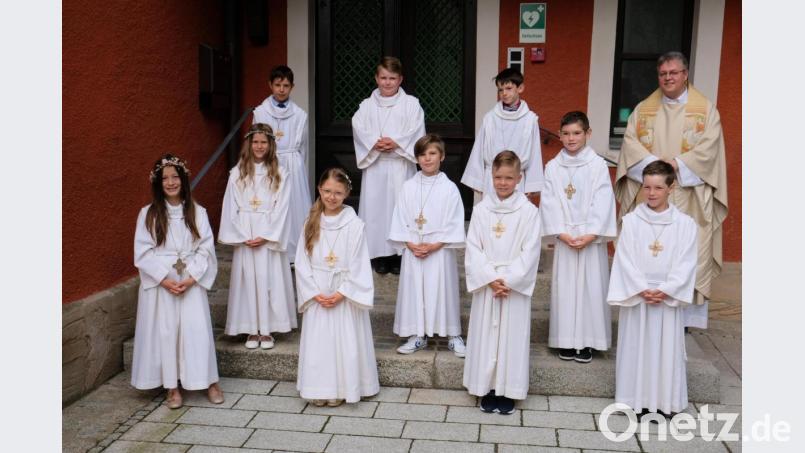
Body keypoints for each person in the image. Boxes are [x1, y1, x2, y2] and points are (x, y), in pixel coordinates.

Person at [615, 51, 728, 329]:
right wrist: (656, 167)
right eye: (663, 74)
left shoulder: (705, 110)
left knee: (687, 249)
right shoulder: (644, 109)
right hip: (652, 190)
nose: (668, 78)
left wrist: (677, 164)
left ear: (685, 74)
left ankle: (684, 319)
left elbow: (710, 149)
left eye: (673, 73)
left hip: (689, 194)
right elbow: (630, 144)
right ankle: (645, 297)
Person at [131, 154, 224, 409]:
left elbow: (205, 249)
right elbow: (143, 252)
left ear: (183, 179)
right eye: (165, 178)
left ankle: (209, 381)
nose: (171, 182)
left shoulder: (198, 211)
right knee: (167, 332)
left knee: (197, 330)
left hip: (190, 280)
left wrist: (192, 277)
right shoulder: (148, 214)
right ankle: (172, 387)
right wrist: (164, 279)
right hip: (164, 285)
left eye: (175, 177)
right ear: (158, 183)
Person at [608, 160, 697, 418]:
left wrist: (667, 289)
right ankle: (634, 401)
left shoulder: (684, 224)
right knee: (636, 347)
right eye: (647, 187)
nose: (651, 193)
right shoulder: (632, 221)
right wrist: (641, 287)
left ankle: (664, 402)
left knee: (665, 350)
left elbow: (687, 260)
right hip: (639, 295)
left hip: (666, 297)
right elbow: (624, 257)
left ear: (672, 187)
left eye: (658, 187)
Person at [463, 151, 541, 415]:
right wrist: (489, 278)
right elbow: (473, 247)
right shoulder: (482, 209)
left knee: (511, 337)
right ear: (491, 176)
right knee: (487, 334)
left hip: (512, 287)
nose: (503, 182)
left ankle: (508, 390)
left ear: (519, 178)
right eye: (498, 177)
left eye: (509, 177)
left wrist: (508, 279)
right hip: (489, 284)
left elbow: (531, 251)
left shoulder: (529, 212)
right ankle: (486, 387)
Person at [294, 168, 379, 407]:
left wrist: (343, 293)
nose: (332, 197)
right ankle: (318, 388)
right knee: (320, 345)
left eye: (338, 193)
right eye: (327, 191)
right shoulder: (310, 222)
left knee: (345, 342)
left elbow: (360, 263)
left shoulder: (355, 225)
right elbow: (301, 262)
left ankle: (344, 387)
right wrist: (313, 292)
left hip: (343, 291)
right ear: (320, 190)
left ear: (347, 193)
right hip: (318, 290)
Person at [540, 111, 617, 363]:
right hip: (565, 239)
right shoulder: (552, 167)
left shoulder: (596, 165)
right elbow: (549, 201)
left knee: (590, 289)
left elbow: (603, 200)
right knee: (566, 289)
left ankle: (588, 342)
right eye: (566, 133)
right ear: (560, 135)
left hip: (589, 239)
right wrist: (561, 232)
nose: (571, 138)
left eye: (577, 133)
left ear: (588, 134)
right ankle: (566, 341)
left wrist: (590, 233)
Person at [388, 133, 466, 356]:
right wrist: (410, 244)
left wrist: (434, 245)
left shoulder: (449, 188)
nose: (427, 159)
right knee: (416, 291)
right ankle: (417, 334)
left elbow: (454, 220)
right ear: (416, 158)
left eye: (432, 153)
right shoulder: (408, 187)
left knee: (444, 290)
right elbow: (400, 217)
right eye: (422, 154)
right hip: (414, 248)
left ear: (442, 156)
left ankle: (453, 334)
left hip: (439, 250)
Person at [219, 123, 296, 349]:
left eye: (264, 142)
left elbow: (282, 207)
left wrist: (267, 235)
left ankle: (268, 329)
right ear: (249, 144)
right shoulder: (237, 172)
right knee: (248, 280)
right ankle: (252, 330)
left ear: (271, 144)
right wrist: (241, 235)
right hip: (244, 232)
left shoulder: (281, 173)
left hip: (267, 231)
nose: (259, 146)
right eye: (255, 142)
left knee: (268, 279)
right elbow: (229, 205)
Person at [352, 56, 426, 275]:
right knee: (376, 212)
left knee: (400, 209)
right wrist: (375, 141)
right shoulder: (366, 106)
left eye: (392, 78)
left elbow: (415, 130)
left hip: (401, 165)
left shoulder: (411, 104)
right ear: (376, 78)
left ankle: (399, 254)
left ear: (400, 79)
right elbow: (359, 127)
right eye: (383, 77)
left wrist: (397, 142)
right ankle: (380, 255)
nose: (387, 82)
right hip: (376, 165)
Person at [252, 65, 312, 264]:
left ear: (292, 87)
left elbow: (303, 146)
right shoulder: (260, 112)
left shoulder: (300, 114)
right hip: (269, 161)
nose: (281, 89)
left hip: (292, 164)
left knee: (294, 206)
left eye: (286, 85)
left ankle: (295, 252)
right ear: (270, 85)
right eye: (277, 85)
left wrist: (297, 166)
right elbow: (256, 141)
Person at [461, 67, 544, 204]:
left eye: (509, 88)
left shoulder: (530, 120)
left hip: (518, 180)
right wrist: (477, 181)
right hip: (492, 179)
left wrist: (532, 184)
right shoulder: (490, 118)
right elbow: (478, 149)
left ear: (520, 88)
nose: (504, 93)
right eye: (500, 90)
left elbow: (535, 152)